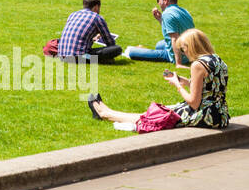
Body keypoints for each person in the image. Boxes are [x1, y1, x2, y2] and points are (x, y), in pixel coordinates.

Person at [88, 29, 229, 130]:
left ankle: (104, 113)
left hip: (205, 116)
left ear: (192, 47)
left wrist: (177, 85)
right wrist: (184, 81)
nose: (184, 52)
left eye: (184, 49)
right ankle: (106, 112)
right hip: (219, 114)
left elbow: (193, 102)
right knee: (158, 112)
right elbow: (210, 87)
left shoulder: (197, 65)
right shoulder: (216, 59)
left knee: (155, 116)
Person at [124, 0, 193, 63]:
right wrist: (160, 19)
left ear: (165, 1)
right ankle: (144, 50)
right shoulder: (184, 11)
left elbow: (175, 39)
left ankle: (143, 51)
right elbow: (174, 29)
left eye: (158, 0)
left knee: (130, 52)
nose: (158, 3)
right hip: (189, 52)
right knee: (159, 45)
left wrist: (178, 63)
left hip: (179, 55)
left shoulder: (167, 14)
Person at [56, 0, 121, 63]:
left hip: (62, 56)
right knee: (117, 49)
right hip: (80, 57)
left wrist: (92, 38)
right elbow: (110, 43)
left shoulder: (73, 14)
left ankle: (100, 60)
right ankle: (99, 60)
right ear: (96, 7)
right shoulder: (97, 17)